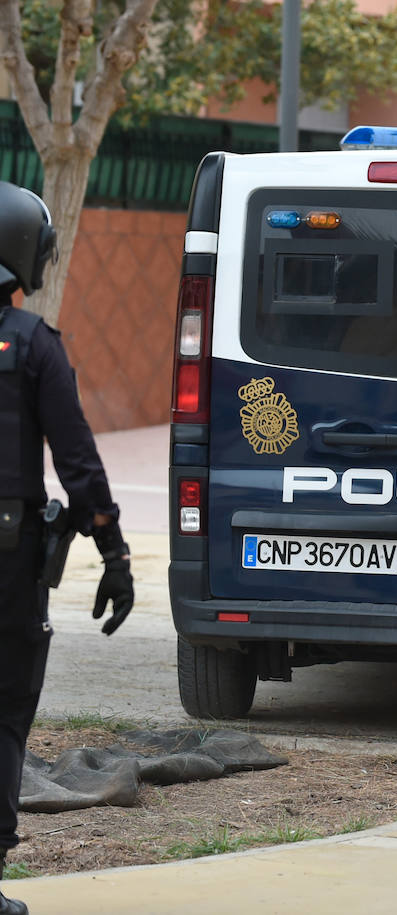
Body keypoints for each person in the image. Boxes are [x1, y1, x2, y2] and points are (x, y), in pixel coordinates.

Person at [0, 181, 135, 915]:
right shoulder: (33, 347)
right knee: (4, 709)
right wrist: (114, 556)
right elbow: (79, 464)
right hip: (9, 566)